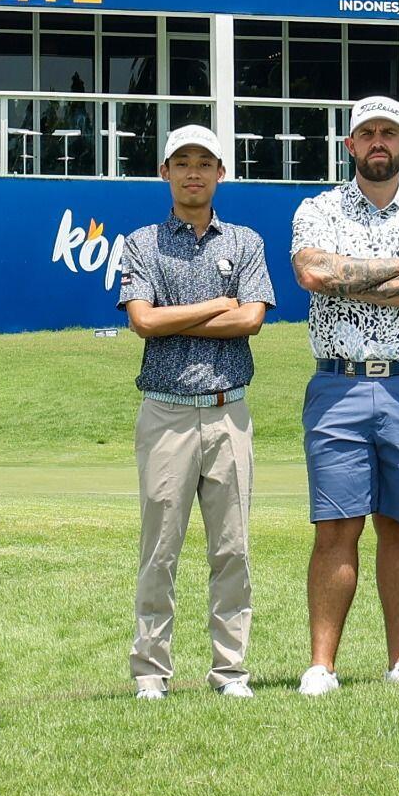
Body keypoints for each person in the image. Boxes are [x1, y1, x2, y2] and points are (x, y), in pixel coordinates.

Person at [289, 95, 399, 696]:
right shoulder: (317, 208)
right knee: (335, 527)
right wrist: (398, 269)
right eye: (367, 133)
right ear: (350, 145)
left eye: (389, 132)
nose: (378, 142)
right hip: (338, 381)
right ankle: (322, 665)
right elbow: (314, 274)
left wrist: (354, 274)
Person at [116, 124, 275, 701]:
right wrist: (214, 305)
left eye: (204, 163)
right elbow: (144, 322)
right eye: (181, 162)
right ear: (165, 173)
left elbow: (252, 320)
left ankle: (230, 672)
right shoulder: (141, 244)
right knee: (160, 548)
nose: (193, 173)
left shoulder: (246, 242)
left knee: (232, 549)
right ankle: (151, 672)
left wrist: (177, 314)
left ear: (220, 174)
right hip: (166, 413)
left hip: (229, 410)